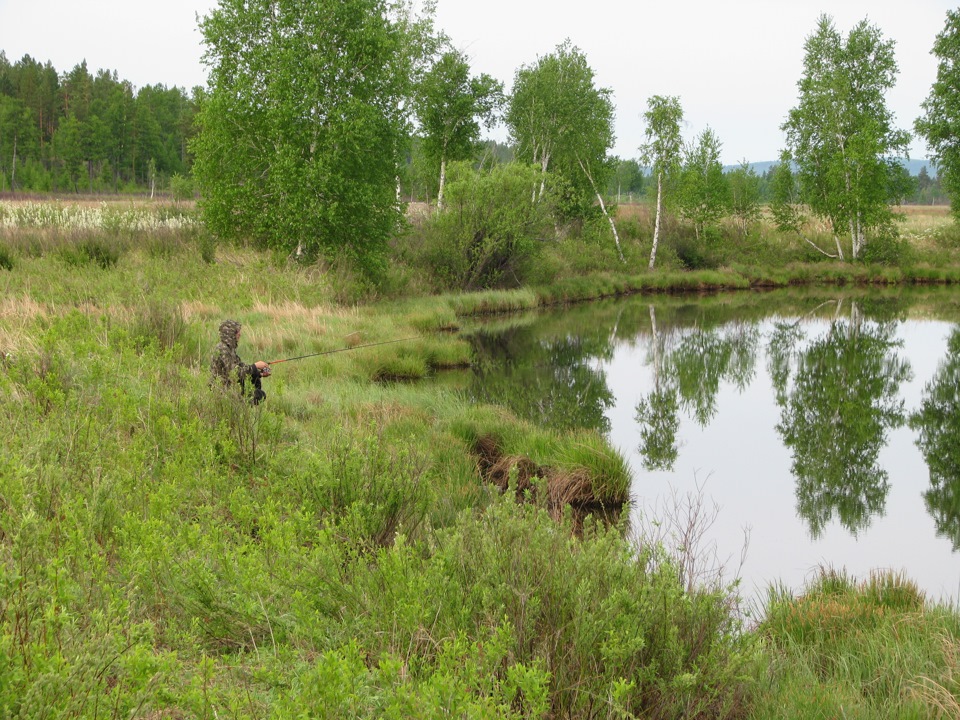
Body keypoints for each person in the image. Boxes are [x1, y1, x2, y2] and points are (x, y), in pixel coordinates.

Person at [210, 319, 271, 404]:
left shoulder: (229, 349)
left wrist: (258, 373)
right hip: (223, 392)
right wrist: (255, 366)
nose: (240, 334)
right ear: (230, 334)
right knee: (257, 395)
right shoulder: (222, 350)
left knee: (257, 386)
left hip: (229, 388)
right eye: (237, 332)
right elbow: (235, 373)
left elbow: (240, 366)